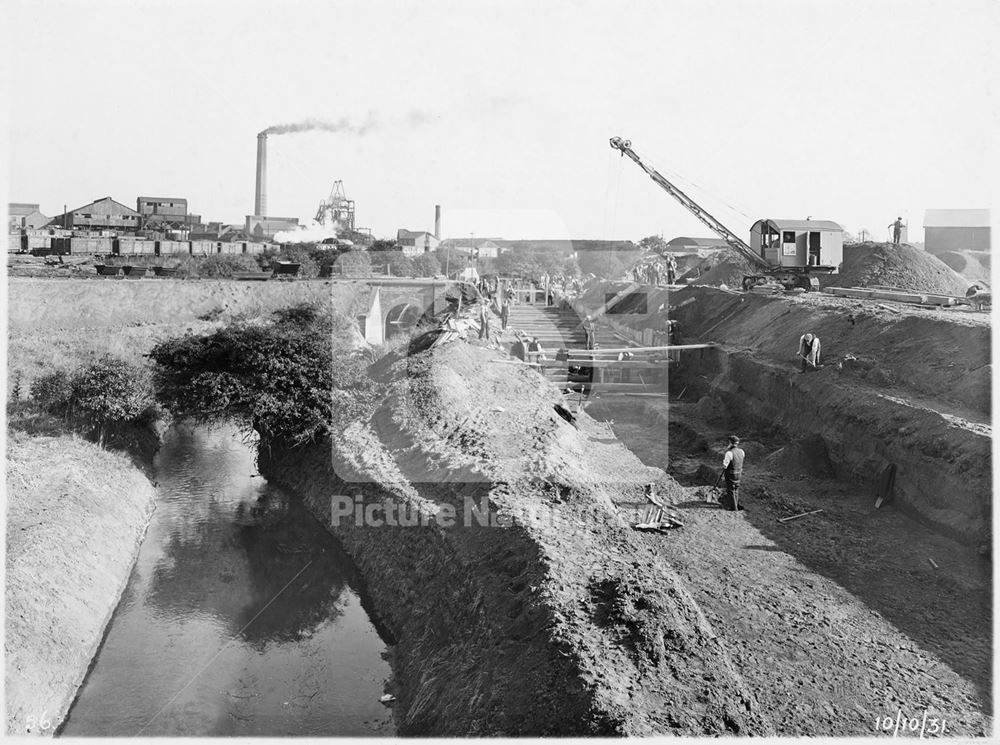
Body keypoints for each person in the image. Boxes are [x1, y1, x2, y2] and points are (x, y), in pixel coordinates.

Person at [720, 435, 745, 511]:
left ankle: (733, 507)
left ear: (730, 442)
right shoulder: (742, 451)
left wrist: (724, 464)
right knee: (736, 489)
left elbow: (725, 465)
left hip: (731, 474)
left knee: (730, 490)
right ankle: (736, 505)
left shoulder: (729, 453)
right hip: (739, 473)